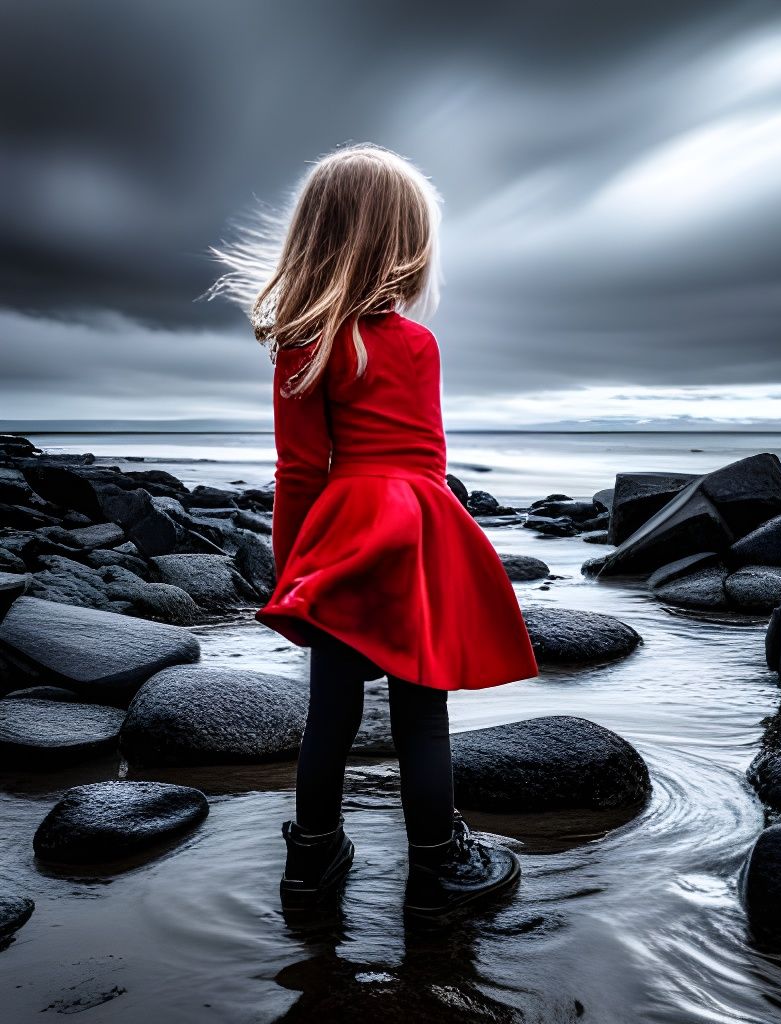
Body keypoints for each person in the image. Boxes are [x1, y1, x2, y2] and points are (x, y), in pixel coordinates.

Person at [207, 142, 540, 917]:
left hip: (343, 540)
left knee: (332, 712)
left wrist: (293, 573)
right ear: (403, 247)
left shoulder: (303, 342)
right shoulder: (418, 344)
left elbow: (298, 471)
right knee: (422, 715)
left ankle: (311, 865)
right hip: (416, 533)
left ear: (317, 238)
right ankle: (437, 869)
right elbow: (427, 461)